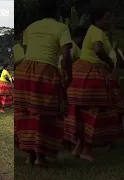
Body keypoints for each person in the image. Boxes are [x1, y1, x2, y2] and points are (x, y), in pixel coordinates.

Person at [14, 0, 73, 167]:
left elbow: (27, 52)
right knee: (46, 113)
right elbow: (66, 56)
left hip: (24, 71)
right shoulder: (61, 28)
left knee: (26, 112)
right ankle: (41, 157)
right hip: (45, 71)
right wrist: (70, 74)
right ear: (57, 13)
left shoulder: (30, 28)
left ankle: (29, 156)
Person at [65, 8, 124, 161]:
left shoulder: (93, 30)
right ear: (97, 20)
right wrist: (110, 62)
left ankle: (79, 147)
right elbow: (98, 50)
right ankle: (87, 150)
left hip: (81, 72)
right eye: (106, 18)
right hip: (92, 73)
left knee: (81, 112)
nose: (109, 21)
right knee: (96, 112)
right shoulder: (97, 31)